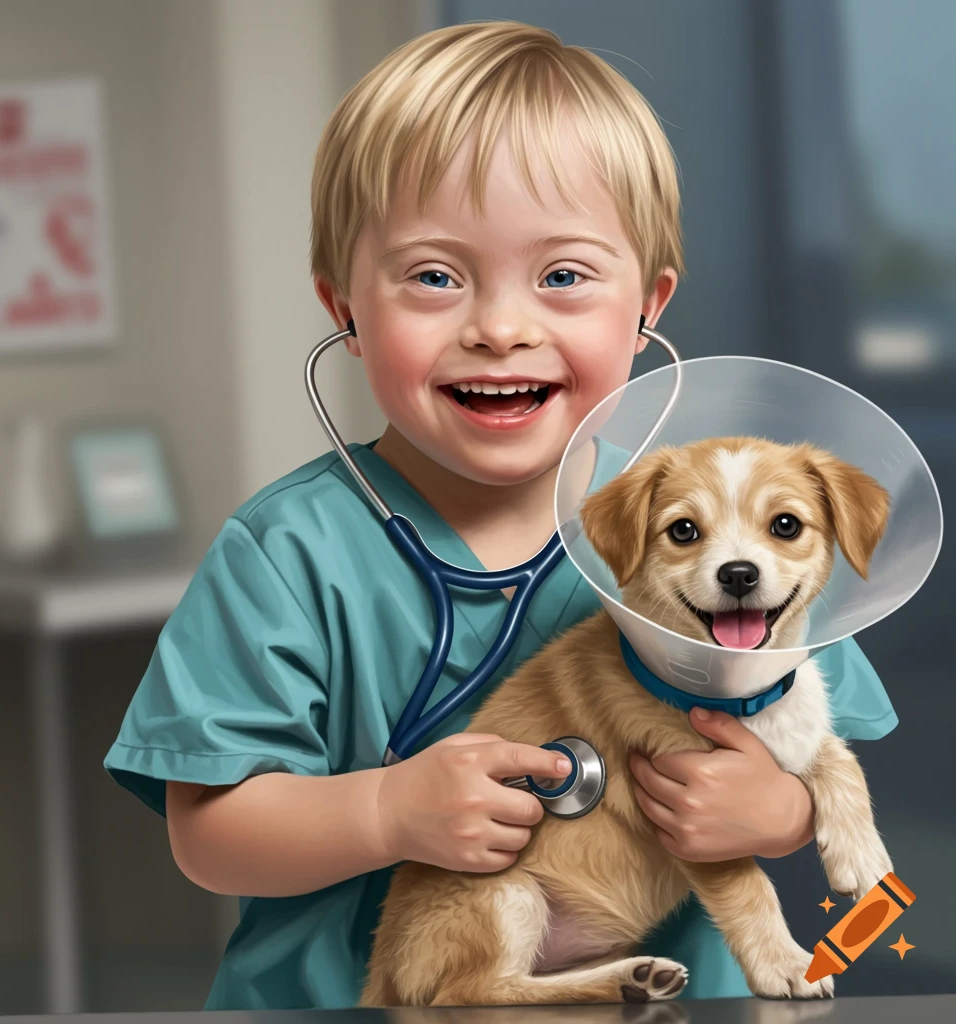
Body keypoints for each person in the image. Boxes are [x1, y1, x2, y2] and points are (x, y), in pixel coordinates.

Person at [103, 21, 898, 1010]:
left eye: (562, 276)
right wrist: (387, 810)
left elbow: (809, 748)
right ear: (344, 308)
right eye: (434, 276)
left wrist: (775, 813)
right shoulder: (287, 555)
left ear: (645, 307)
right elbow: (208, 835)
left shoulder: (705, 530)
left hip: (670, 995)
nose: (499, 326)